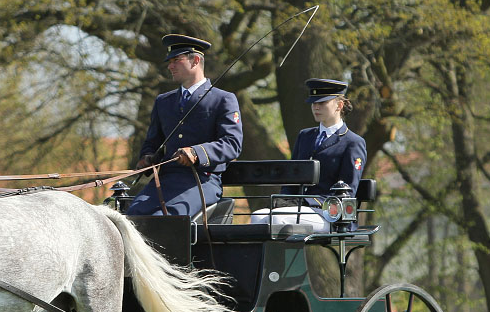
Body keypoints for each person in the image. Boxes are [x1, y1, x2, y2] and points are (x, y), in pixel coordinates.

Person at [127, 34, 243, 217]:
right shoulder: (163, 101)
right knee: (132, 216)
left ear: (195, 60)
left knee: (165, 220)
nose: (170, 66)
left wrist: (196, 152)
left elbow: (232, 144)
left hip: (202, 181)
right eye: (169, 61)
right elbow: (152, 142)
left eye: (176, 60)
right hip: (165, 180)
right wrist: (147, 157)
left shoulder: (223, 99)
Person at [251, 78, 367, 232]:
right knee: (258, 216)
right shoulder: (305, 136)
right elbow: (291, 178)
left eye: (322, 103)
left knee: (278, 218)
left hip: (330, 213)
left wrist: (308, 203)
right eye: (314, 103)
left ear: (339, 105)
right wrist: (284, 201)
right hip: (298, 207)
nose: (316, 107)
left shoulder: (352, 142)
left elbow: (347, 189)